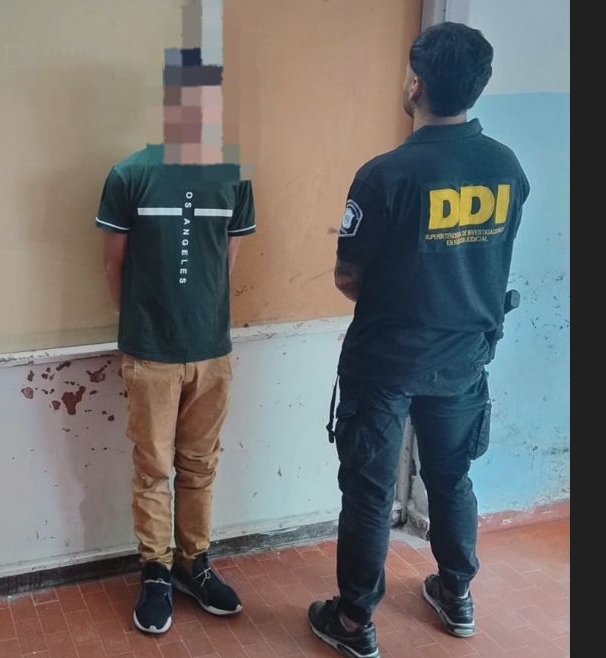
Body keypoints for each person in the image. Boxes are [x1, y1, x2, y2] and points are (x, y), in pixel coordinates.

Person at [307, 21, 530, 658]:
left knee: (370, 491)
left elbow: (348, 277)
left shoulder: (385, 175)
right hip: (465, 359)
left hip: (386, 361)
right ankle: (456, 594)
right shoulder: (507, 168)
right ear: (478, 88)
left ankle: (353, 621)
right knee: (452, 477)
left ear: (416, 85)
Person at [95, 1, 256, 633]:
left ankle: (195, 563)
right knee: (153, 468)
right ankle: (155, 572)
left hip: (212, 351)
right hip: (150, 353)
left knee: (200, 464)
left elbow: (226, 263)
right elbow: (113, 267)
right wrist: (146, 326)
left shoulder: (234, 176)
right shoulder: (128, 175)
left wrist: (196, 318)